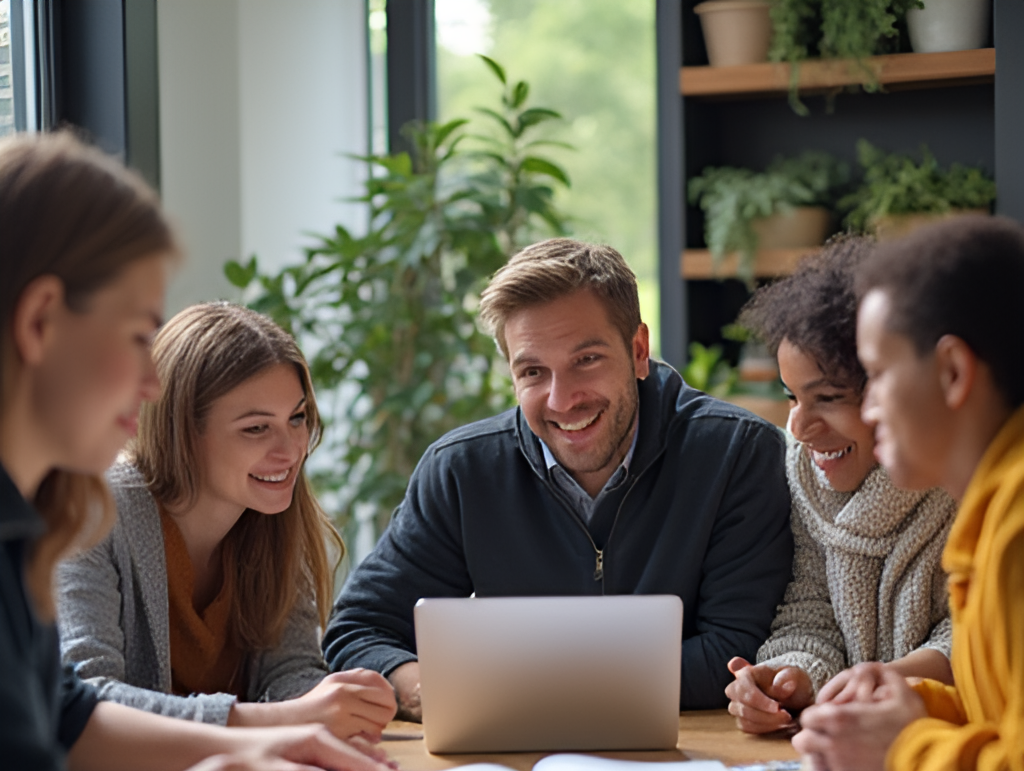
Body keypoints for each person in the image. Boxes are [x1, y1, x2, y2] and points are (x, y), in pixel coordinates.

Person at [0, 131, 404, 771]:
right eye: (134, 336)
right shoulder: (78, 511)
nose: (148, 383)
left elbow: (66, 712)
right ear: (42, 320)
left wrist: (258, 741)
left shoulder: (24, 521)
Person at [324, 238, 794, 718]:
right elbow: (358, 631)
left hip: (690, 758)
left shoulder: (737, 454)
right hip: (509, 757)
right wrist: (431, 689)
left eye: (586, 360)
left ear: (637, 350)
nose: (562, 400)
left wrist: (514, 688)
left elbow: (736, 652)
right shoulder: (461, 471)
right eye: (532, 372)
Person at [792, 216, 1024, 771]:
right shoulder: (989, 506)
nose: (867, 413)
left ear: (952, 372)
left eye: (878, 376)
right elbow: (1002, 719)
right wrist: (909, 705)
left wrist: (904, 749)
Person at [56, 302, 396, 740]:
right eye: (256, 428)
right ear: (181, 430)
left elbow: (288, 671)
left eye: (296, 418)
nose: (291, 450)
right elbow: (87, 700)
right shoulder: (94, 512)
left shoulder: (270, 520)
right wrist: (289, 718)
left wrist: (332, 699)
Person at [724, 238, 956, 734]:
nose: (799, 428)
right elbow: (810, 607)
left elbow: (985, 636)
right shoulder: (806, 476)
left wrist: (878, 683)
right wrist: (791, 677)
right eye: (790, 397)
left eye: (827, 398)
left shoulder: (966, 483)